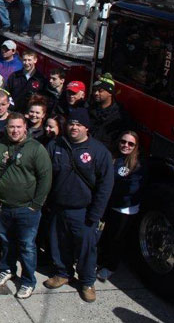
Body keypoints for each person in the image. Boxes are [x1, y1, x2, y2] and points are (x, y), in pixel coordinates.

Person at [44, 108, 114, 303]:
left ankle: (87, 282)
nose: (74, 127)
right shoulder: (55, 145)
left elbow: (105, 186)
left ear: (86, 128)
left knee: (86, 249)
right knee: (59, 245)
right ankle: (62, 273)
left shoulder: (99, 152)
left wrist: (95, 214)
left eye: (78, 124)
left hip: (84, 212)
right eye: (71, 123)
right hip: (58, 208)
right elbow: (45, 174)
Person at [0, 114, 52, 299]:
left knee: (27, 246)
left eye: (19, 127)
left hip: (27, 209)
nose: (15, 130)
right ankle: (7, 269)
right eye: (11, 127)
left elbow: (46, 177)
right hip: (2, 207)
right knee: (6, 242)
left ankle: (28, 281)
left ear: (25, 128)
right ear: (6, 128)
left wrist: (36, 205)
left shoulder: (36, 149)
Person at [96, 131, 146, 282]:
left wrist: (111, 193)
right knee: (104, 235)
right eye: (123, 141)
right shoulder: (113, 158)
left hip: (124, 209)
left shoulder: (137, 165)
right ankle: (99, 260)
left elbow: (131, 189)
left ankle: (109, 267)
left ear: (136, 147)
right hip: (108, 205)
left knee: (116, 240)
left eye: (131, 144)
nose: (126, 145)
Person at [89, 74, 131, 151]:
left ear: (110, 93)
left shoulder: (120, 116)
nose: (96, 93)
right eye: (95, 90)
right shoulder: (89, 109)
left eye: (100, 91)